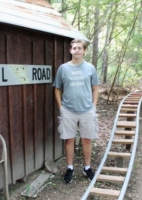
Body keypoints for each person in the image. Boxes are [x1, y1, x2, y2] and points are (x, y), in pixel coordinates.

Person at [53, 38, 99, 184]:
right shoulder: (63, 68)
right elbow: (57, 88)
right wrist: (61, 107)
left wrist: (94, 106)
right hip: (68, 110)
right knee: (69, 140)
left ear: (84, 51)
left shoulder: (90, 68)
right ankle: (70, 168)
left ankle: (87, 167)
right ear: (70, 50)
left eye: (79, 48)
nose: (77, 50)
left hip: (87, 110)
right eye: (74, 48)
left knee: (86, 139)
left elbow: (95, 89)